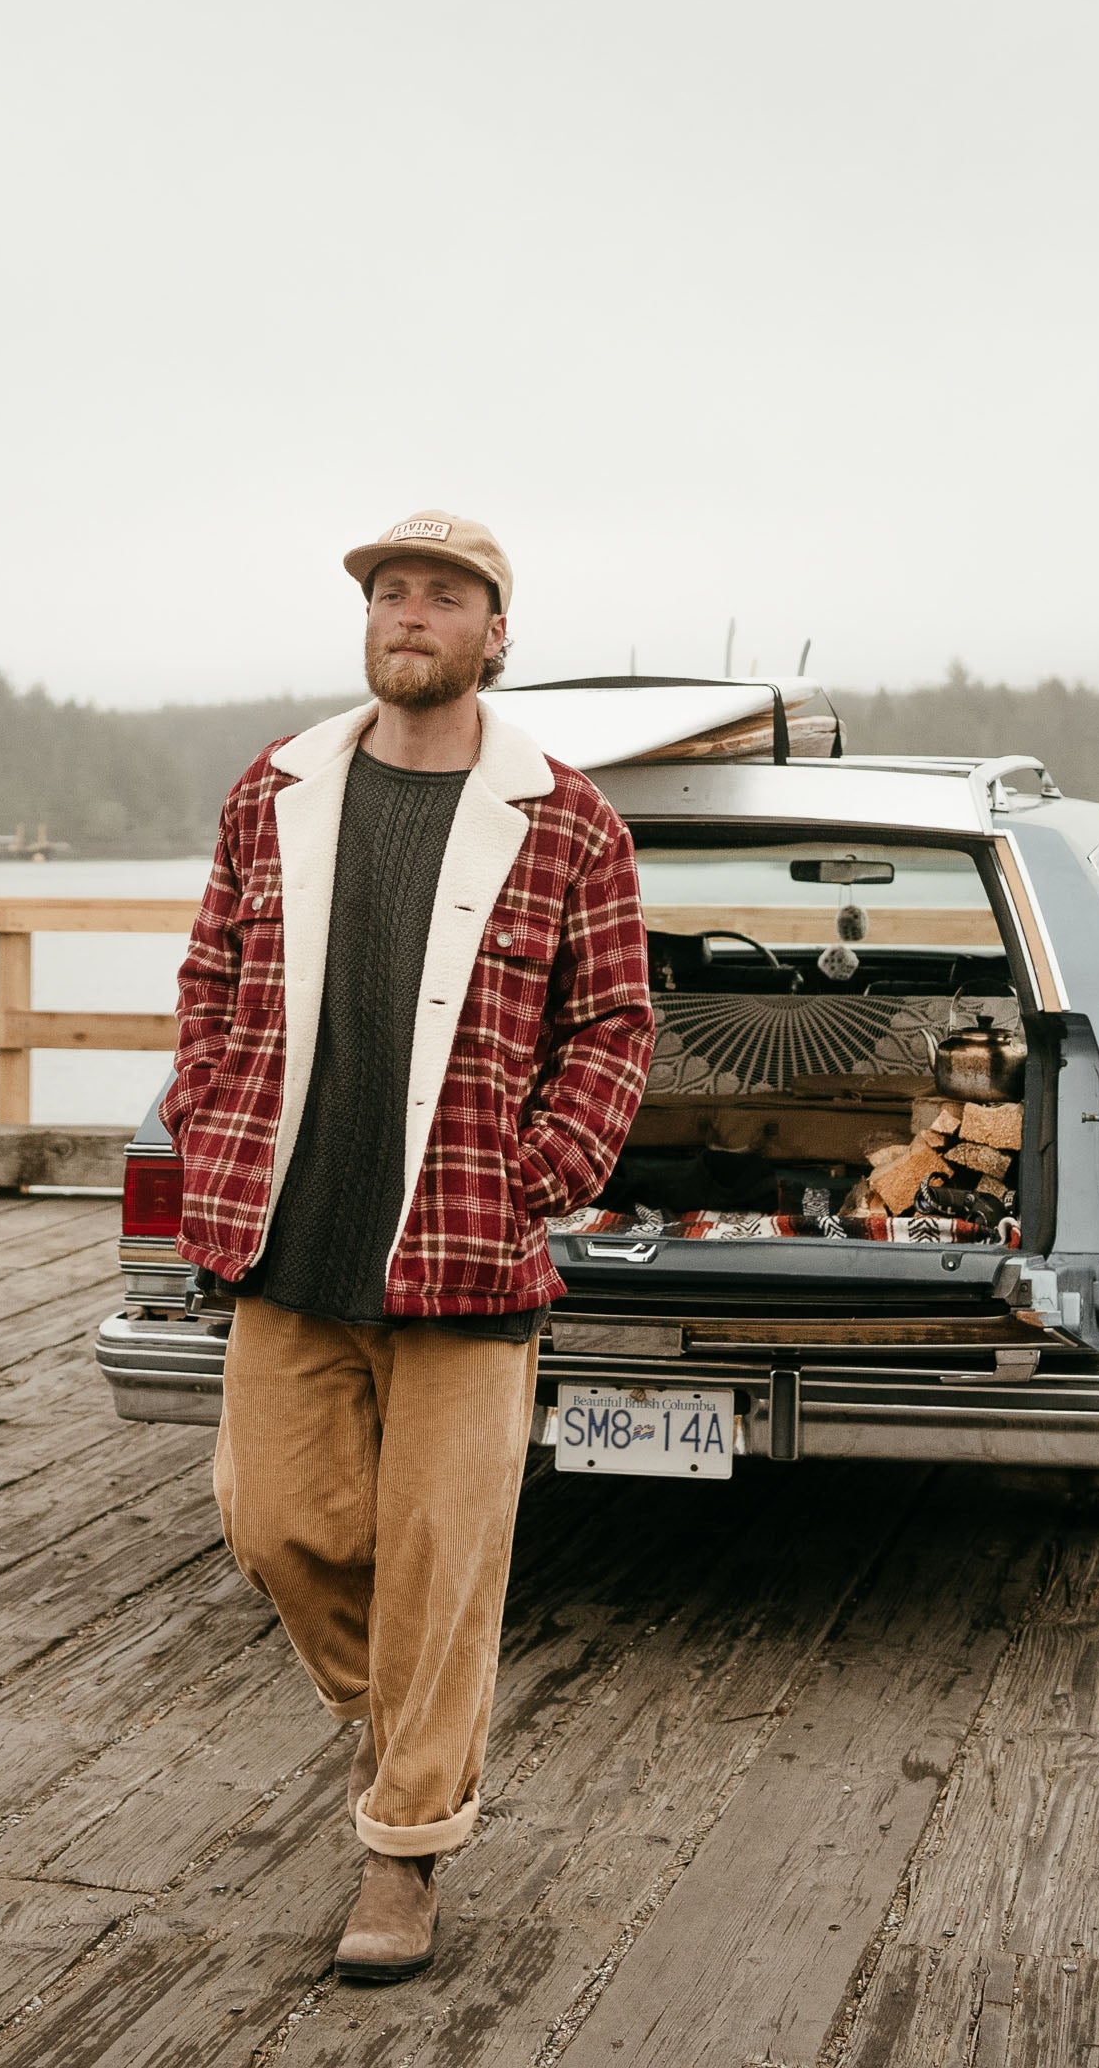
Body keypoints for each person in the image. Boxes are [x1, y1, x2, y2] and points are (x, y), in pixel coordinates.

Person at [166, 511, 654, 1981]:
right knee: (272, 1524)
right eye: (390, 592)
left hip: (466, 1256)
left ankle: (404, 1855)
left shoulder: (568, 821)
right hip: (288, 1237)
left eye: (444, 596)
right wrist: (208, 1120)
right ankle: (412, 1715)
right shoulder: (281, 790)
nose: (411, 613)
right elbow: (211, 975)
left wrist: (538, 1173)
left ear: (497, 633)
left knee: (445, 1562)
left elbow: (617, 1027)